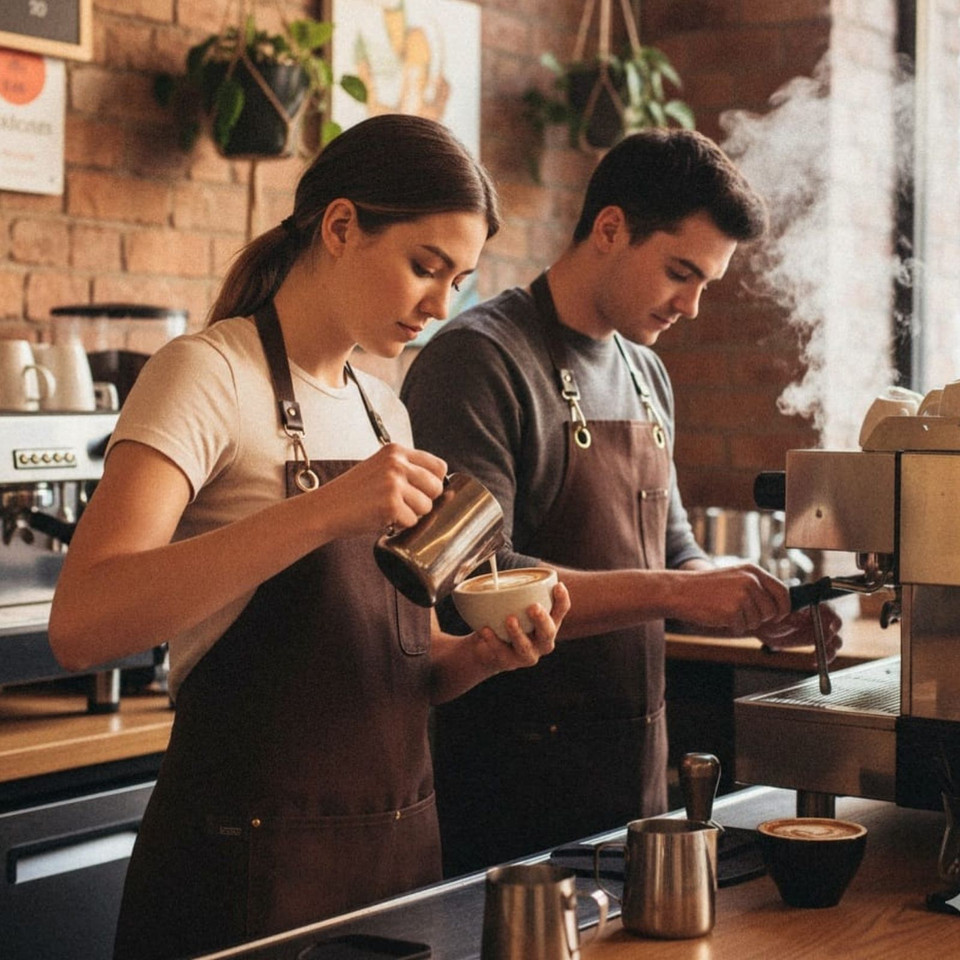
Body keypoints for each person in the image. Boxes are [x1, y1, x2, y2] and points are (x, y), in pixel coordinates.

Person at [48, 114, 570, 960]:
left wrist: (480, 654)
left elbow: (393, 671)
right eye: (424, 267)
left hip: (393, 873)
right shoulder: (206, 374)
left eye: (460, 280)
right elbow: (83, 621)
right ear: (339, 226)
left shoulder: (382, 407)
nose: (440, 307)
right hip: (243, 882)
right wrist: (322, 510)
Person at [401, 127, 843, 877]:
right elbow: (477, 581)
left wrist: (753, 602)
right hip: (507, 793)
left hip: (633, 785)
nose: (693, 307)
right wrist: (682, 592)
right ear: (610, 229)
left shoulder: (647, 374)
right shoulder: (478, 358)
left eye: (708, 282)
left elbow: (675, 552)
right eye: (681, 272)